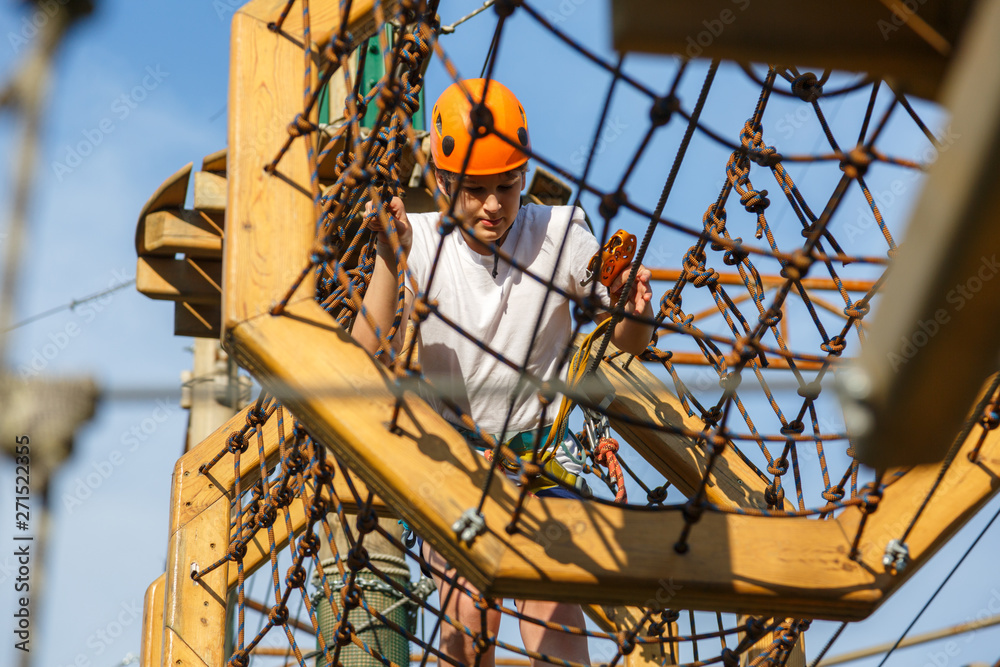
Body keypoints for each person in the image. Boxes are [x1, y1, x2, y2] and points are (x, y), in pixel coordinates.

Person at [354, 78, 654, 667]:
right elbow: (363, 358)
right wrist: (390, 258)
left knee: (553, 611)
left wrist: (634, 311)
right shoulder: (420, 245)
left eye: (507, 186)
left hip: (541, 458)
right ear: (441, 184)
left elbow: (628, 345)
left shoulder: (559, 234)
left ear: (524, 177)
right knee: (469, 611)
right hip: (455, 458)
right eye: (474, 190)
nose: (493, 205)